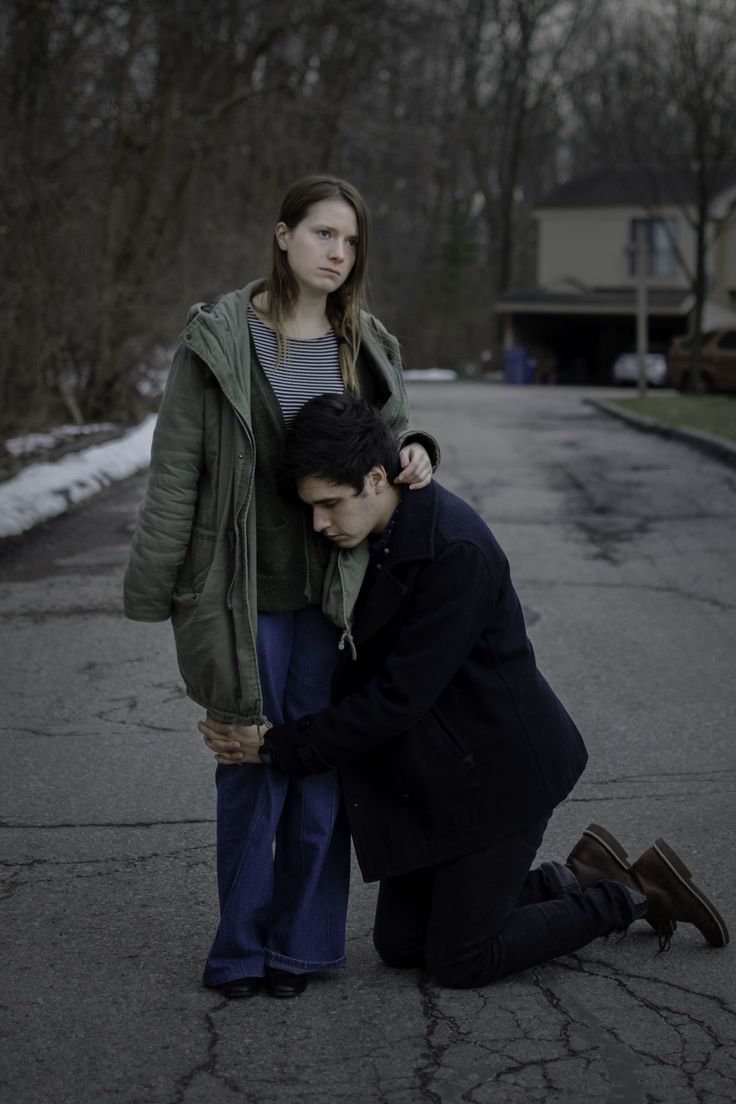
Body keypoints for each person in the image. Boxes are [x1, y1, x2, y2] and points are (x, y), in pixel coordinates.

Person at [200, 393, 729, 989]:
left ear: (377, 479)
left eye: (330, 505)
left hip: (499, 778)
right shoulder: (369, 535)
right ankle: (574, 875)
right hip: (438, 781)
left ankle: (629, 893)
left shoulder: (455, 551)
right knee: (401, 946)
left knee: (459, 959)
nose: (319, 523)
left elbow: (397, 699)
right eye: (311, 509)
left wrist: (274, 746)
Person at [123, 176, 440, 999]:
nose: (338, 253)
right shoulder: (219, 340)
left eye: (351, 241)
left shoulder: (364, 343)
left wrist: (418, 450)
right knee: (245, 765)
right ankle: (238, 949)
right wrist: (158, 587)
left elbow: (393, 432)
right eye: (324, 234)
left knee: (318, 765)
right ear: (282, 235)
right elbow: (176, 471)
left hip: (337, 595)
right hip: (242, 593)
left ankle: (301, 947)